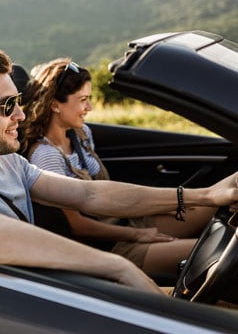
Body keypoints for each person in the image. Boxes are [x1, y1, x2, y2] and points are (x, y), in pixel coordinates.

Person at [0, 47, 238, 294]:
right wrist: (115, 265)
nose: (20, 116)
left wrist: (206, 195)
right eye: (7, 106)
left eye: (18, 102)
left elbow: (90, 193)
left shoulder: (10, 164)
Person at [19, 57, 216, 275]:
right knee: (213, 252)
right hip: (107, 246)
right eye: (83, 99)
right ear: (55, 104)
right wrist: (138, 236)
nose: (90, 107)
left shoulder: (81, 135)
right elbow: (78, 226)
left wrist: (163, 205)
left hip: (126, 221)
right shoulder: (46, 157)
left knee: (215, 207)